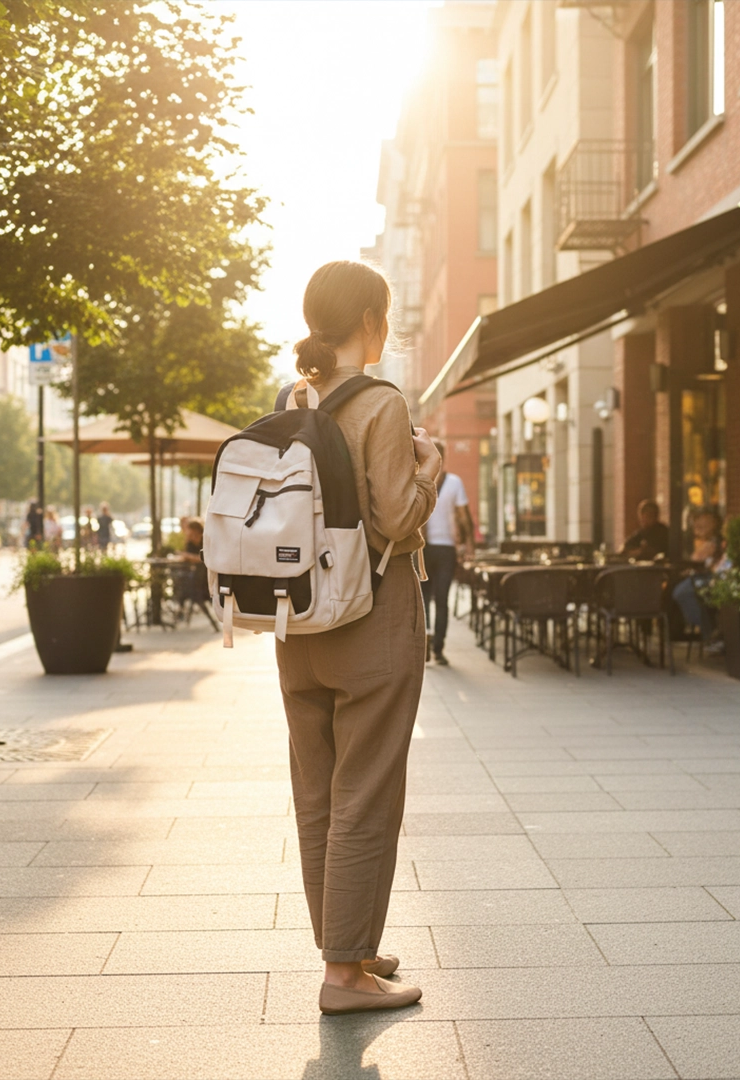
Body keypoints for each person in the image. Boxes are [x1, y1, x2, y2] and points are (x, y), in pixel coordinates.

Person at [275, 261, 439, 1016]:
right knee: (367, 791)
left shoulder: (293, 397)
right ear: (370, 318)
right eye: (388, 313)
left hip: (297, 620)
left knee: (319, 792)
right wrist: (429, 467)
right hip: (369, 619)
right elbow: (398, 520)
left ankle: (349, 944)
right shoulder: (380, 403)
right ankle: (344, 973)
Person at [420, 440, 474, 666]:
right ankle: (426, 645)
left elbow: (463, 516)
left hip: (445, 550)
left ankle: (437, 647)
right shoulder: (418, 480)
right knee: (424, 601)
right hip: (422, 549)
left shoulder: (453, 482)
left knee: (439, 600)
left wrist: (469, 545)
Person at [672, 508, 726, 647]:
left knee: (681, 592)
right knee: (680, 591)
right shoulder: (701, 541)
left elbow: (696, 558)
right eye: (696, 523)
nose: (697, 526)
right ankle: (708, 631)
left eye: (702, 523)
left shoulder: (715, 541)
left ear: (713, 523)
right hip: (705, 577)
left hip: (713, 578)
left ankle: (711, 631)